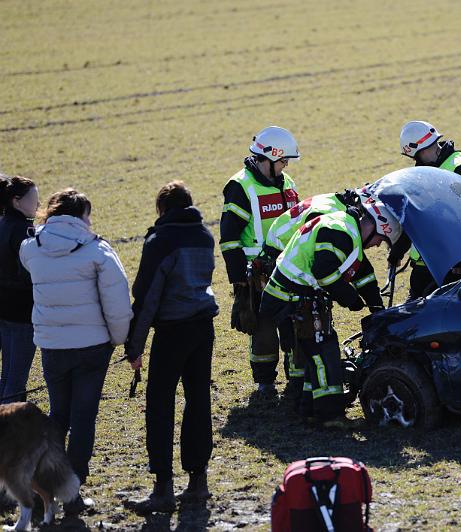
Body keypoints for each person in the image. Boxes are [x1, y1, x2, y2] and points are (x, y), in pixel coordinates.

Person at [19, 188, 132, 515]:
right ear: (82, 215)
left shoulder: (31, 248)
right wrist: (119, 338)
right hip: (92, 348)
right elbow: (117, 301)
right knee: (84, 419)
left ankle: (47, 488)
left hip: (53, 347)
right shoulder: (97, 250)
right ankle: (73, 492)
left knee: (58, 417)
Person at [260, 196, 401, 427]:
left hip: (293, 294)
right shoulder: (342, 232)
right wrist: (351, 299)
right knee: (325, 354)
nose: (377, 245)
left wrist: (376, 307)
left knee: (314, 355)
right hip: (289, 298)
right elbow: (323, 272)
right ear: (374, 225)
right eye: (380, 239)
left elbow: (361, 271)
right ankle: (330, 416)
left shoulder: (347, 228)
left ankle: (308, 410)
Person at [124, 181, 219, 514]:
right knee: (198, 401)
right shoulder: (204, 236)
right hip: (202, 328)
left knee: (160, 405)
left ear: (162, 209)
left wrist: (134, 346)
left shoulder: (161, 241)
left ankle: (162, 487)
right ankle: (198, 482)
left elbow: (146, 297)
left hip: (171, 331)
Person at [219, 126, 300, 399]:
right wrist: (239, 279)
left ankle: (297, 381)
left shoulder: (287, 183)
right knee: (263, 331)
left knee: (293, 325)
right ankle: (265, 384)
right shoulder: (240, 187)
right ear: (268, 158)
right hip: (256, 275)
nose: (286, 165)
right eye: (283, 160)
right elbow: (229, 238)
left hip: (289, 270)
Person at [394, 121, 461, 299]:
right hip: (427, 264)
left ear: (423, 148)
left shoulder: (460, 167)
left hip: (458, 266)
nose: (415, 161)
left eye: (416, 156)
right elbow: (416, 214)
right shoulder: (425, 169)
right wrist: (399, 249)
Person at [0, 174, 38, 404]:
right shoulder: (25, 231)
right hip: (23, 312)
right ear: (16, 201)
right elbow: (30, 274)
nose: (38, 204)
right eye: (33, 198)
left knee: (6, 375)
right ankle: (8, 431)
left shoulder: (2, 223)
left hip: (4, 309)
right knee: (16, 380)